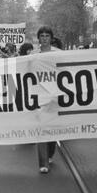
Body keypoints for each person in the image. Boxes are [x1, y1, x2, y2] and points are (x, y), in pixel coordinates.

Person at [35, 26, 62, 173]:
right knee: (41, 129)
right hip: (39, 96)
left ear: (51, 38)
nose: (44, 38)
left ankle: (50, 153)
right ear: (38, 38)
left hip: (55, 96)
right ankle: (43, 163)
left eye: (47, 36)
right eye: (42, 35)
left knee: (52, 129)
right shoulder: (33, 55)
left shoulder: (59, 54)